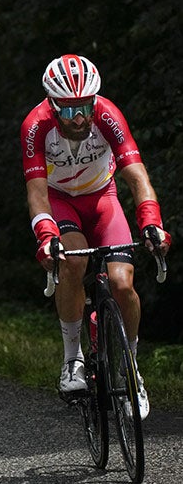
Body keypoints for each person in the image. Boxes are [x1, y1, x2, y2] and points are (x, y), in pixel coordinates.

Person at [21, 54, 171, 419]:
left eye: (86, 106)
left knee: (122, 283)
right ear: (53, 106)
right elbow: (37, 193)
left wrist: (151, 221)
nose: (81, 117)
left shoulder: (107, 114)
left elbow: (137, 177)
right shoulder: (35, 126)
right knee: (73, 260)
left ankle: (131, 368)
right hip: (60, 202)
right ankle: (72, 359)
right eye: (70, 110)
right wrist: (45, 234)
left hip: (102, 198)